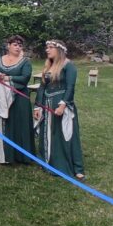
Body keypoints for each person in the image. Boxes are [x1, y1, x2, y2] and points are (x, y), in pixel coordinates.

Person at [33, 40, 85, 181]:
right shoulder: (49, 66)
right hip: (46, 105)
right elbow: (42, 88)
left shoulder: (69, 66)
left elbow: (70, 87)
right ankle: (48, 161)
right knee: (48, 133)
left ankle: (76, 168)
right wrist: (37, 106)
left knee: (65, 135)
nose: (47, 50)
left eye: (51, 47)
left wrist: (63, 105)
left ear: (59, 50)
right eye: (47, 47)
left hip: (60, 105)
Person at [0, 35, 35, 164]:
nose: (18, 47)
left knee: (18, 124)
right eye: (15, 44)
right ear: (8, 45)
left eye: (20, 45)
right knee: (3, 122)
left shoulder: (25, 62)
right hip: (1, 98)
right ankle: (0, 154)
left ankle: (19, 156)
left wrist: (8, 78)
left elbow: (25, 78)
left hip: (19, 98)